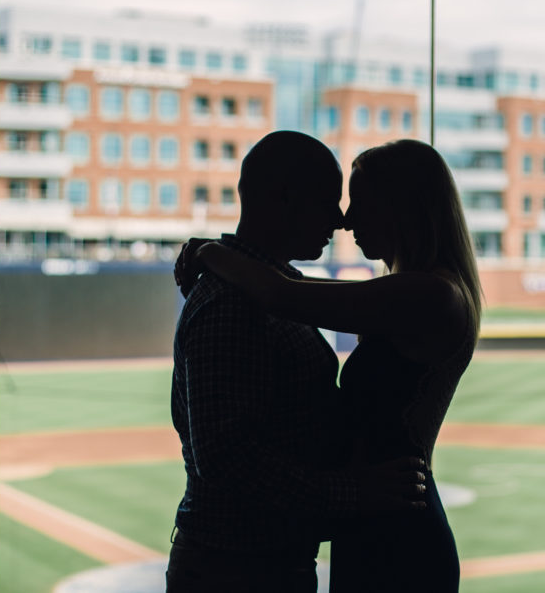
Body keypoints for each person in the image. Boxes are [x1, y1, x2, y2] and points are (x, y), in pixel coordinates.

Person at [192, 138, 481, 592]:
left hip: (392, 526)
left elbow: (281, 295)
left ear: (400, 208)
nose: (345, 219)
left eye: (361, 203)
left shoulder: (428, 294)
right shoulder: (419, 290)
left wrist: (207, 253)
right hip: (375, 517)